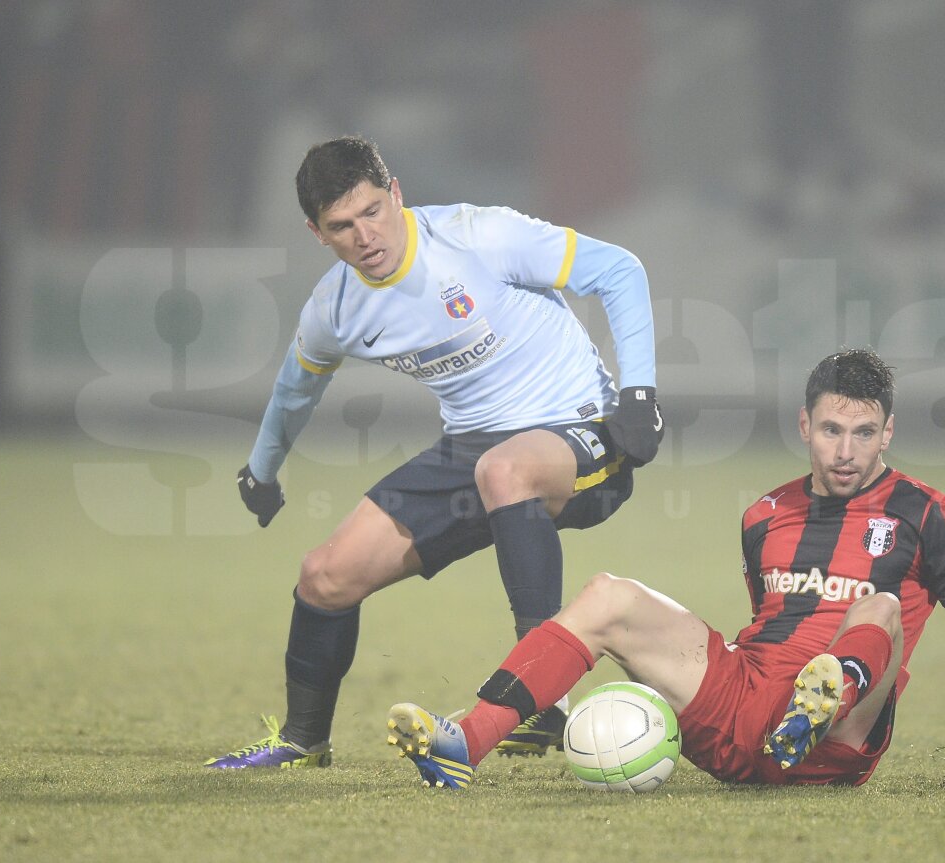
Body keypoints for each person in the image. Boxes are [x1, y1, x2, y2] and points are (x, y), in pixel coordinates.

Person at [206, 135, 662, 768]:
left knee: (504, 469)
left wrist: (639, 393)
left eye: (372, 211)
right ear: (318, 233)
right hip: (476, 455)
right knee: (324, 577)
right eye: (342, 225)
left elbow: (619, 270)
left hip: (581, 433)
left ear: (396, 193)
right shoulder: (334, 309)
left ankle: (540, 697)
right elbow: (294, 390)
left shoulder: (478, 236)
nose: (365, 235)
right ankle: (303, 739)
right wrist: (261, 471)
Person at [386, 348, 945, 790]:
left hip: (841, 741)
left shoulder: (925, 512)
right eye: (830, 430)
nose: (846, 450)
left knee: (877, 606)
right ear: (805, 426)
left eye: (863, 432)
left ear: (888, 434)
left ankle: (819, 703)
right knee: (609, 594)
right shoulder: (765, 515)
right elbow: (769, 619)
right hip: (746, 706)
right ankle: (465, 744)